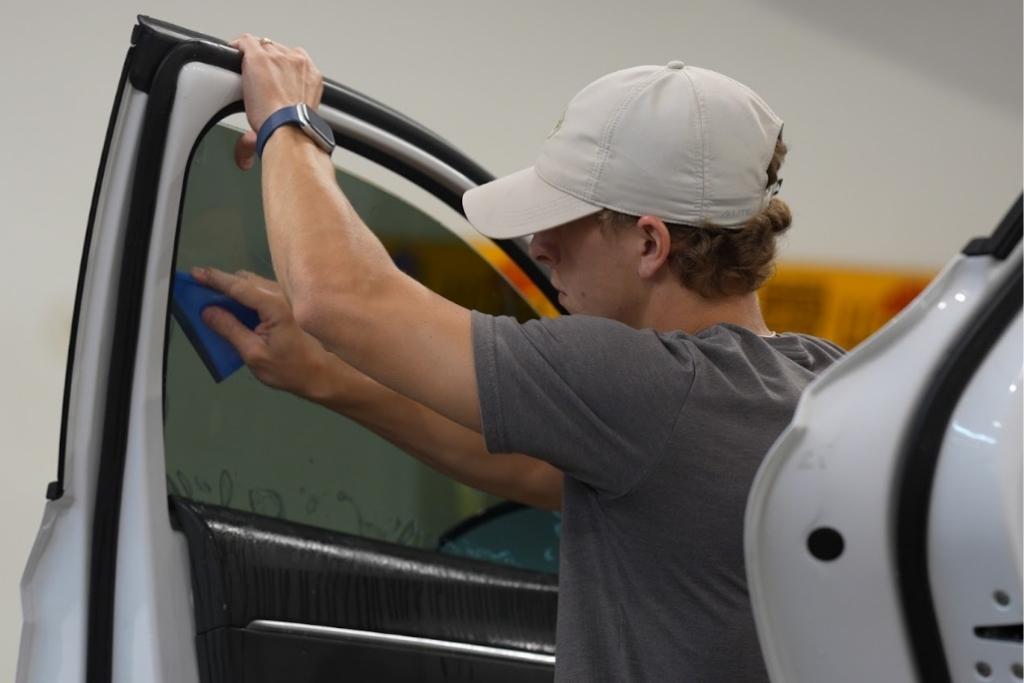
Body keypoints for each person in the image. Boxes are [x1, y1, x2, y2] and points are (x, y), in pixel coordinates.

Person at [194, 34, 845, 682]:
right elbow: (536, 470)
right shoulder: (815, 377)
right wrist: (329, 375)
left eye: (567, 219)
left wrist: (289, 121)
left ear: (650, 242)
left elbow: (337, 297)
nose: (539, 244)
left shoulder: (648, 384)